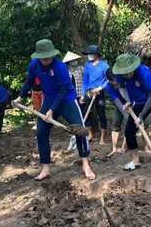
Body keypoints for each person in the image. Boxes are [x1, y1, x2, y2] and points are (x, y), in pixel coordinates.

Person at [13, 39, 95, 181]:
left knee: (80, 130)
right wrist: (20, 98)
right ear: (38, 57)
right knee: (41, 132)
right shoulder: (34, 65)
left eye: (49, 57)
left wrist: (52, 110)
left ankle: (86, 165)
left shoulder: (60, 67)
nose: (47, 60)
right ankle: (45, 168)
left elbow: (63, 90)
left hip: (67, 100)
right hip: (49, 99)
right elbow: (29, 81)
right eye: (44, 58)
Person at [104, 68, 150, 157]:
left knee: (145, 124)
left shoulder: (125, 81)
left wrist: (132, 106)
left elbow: (134, 94)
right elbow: (117, 101)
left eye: (115, 79)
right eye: (112, 81)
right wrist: (127, 116)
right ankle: (115, 148)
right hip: (120, 105)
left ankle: (146, 147)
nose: (115, 82)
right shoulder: (108, 87)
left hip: (134, 103)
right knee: (116, 124)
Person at [80, 45, 109, 145]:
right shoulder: (87, 65)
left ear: (96, 54)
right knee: (87, 114)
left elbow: (109, 80)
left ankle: (102, 138)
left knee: (101, 114)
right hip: (89, 92)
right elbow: (85, 81)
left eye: (90, 53)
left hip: (99, 93)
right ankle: (90, 134)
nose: (88, 55)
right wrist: (83, 95)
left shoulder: (104, 65)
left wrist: (100, 88)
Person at [63, 51, 84, 151]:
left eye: (76, 59)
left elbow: (86, 80)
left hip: (80, 95)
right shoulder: (65, 71)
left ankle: (80, 137)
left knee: (81, 116)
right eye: (73, 60)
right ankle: (73, 136)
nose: (75, 61)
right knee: (71, 118)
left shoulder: (81, 69)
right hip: (69, 97)